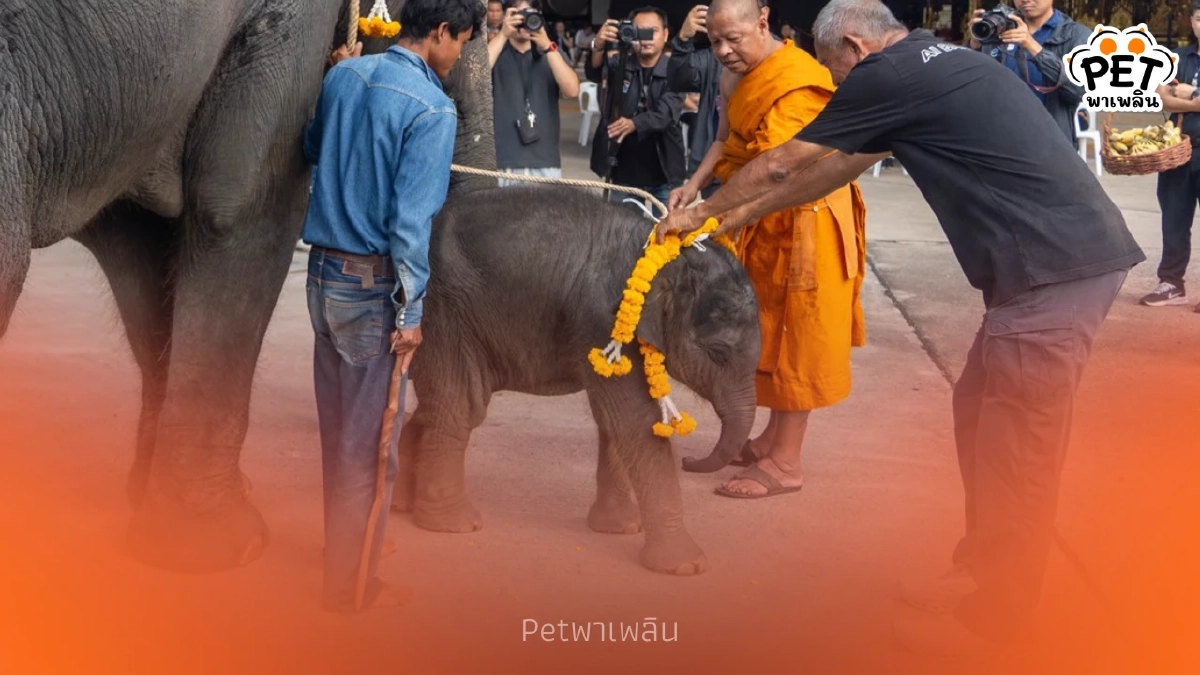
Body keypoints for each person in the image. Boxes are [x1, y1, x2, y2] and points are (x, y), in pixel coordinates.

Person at [658, 0, 1145, 655]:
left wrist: (701, 213)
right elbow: (826, 171)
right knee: (979, 413)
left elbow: (781, 161)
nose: (835, 82)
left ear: (855, 47)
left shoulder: (887, 74)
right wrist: (728, 220)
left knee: (1016, 443)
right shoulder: (933, 64)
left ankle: (998, 621)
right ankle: (981, 568)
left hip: (1056, 271)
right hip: (1049, 267)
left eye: (835, 70)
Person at [300, 0, 483, 614]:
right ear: (439, 32)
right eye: (461, 42)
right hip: (373, 288)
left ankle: (341, 566)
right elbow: (411, 225)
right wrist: (412, 314)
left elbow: (311, 145)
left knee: (340, 438)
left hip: (321, 276)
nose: (460, 56)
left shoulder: (343, 76)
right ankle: (348, 591)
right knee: (370, 448)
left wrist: (341, 74)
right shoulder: (433, 108)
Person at [671, 0, 867, 501]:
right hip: (758, 212)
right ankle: (768, 440)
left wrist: (705, 217)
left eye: (733, 38)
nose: (723, 51)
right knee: (766, 334)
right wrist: (692, 186)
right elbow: (725, 138)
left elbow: (780, 167)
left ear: (763, 19)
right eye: (714, 41)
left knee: (795, 336)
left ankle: (786, 463)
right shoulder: (736, 71)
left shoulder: (797, 78)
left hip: (805, 217)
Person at [586, 7, 688, 217]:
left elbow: (665, 114)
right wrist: (598, 43)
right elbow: (596, 71)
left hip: (665, 173)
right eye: (640, 32)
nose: (646, 39)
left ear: (666, 34)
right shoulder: (620, 64)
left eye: (653, 31)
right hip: (624, 173)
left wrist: (633, 124)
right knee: (622, 238)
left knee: (666, 238)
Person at [1141, 2, 1200, 310]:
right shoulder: (1180, 58)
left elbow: (1176, 97)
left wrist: (1188, 95)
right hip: (1178, 150)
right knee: (1174, 218)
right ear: (1191, 21)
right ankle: (1171, 283)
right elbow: (1161, 96)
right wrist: (1196, 99)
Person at [966, 0, 1089, 145]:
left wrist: (1032, 46)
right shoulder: (1000, 28)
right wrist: (974, 45)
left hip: (1051, 141)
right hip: (1000, 137)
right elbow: (970, 84)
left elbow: (1079, 91)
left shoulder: (1076, 35)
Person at [488, 0, 581, 186]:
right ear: (507, 16)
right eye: (518, 15)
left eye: (530, 14)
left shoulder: (551, 53)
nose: (524, 21)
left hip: (545, 159)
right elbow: (476, 75)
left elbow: (572, 90)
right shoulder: (496, 50)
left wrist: (547, 45)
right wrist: (503, 34)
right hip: (503, 159)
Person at [668, 4, 724, 200]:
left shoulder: (777, 58)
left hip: (755, 172)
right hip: (714, 171)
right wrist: (683, 41)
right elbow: (678, 79)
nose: (726, 49)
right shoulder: (716, 56)